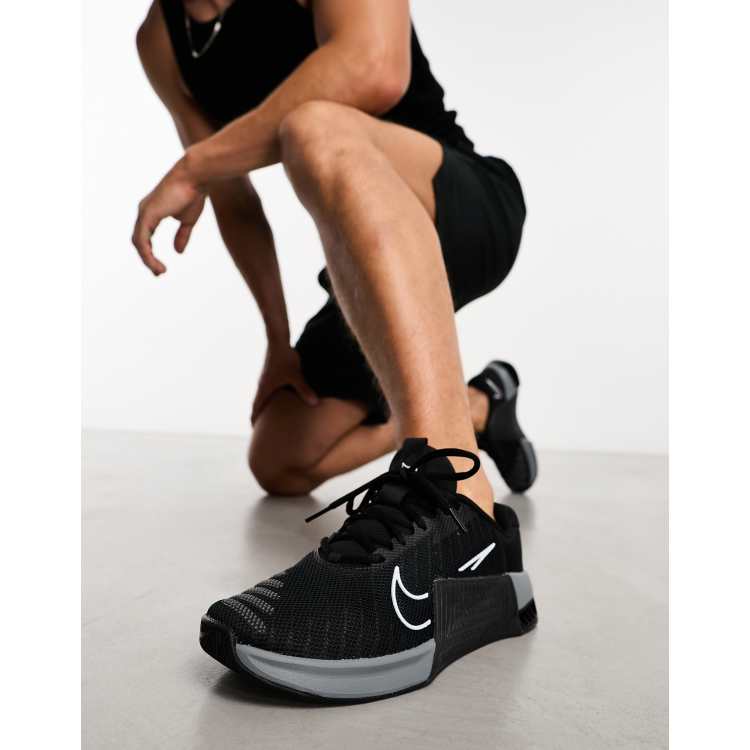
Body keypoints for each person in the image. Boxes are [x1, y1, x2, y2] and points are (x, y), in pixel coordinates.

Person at [135, 0, 538, 700]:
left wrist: (194, 163)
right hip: (373, 260)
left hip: (460, 205)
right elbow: (232, 199)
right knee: (280, 458)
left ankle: (461, 515)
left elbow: (374, 67)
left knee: (314, 126)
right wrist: (277, 343)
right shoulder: (162, 41)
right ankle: (476, 407)